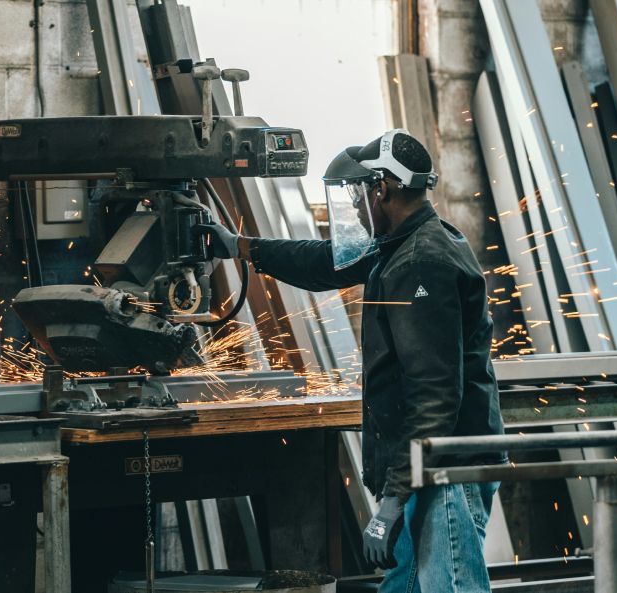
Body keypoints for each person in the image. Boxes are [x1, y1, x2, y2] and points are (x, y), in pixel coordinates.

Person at [197, 130, 506, 592]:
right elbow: (326, 262)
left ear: (382, 189)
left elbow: (434, 396)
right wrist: (241, 247)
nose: (358, 209)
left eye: (361, 195)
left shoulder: (421, 262)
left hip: (444, 468)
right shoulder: (404, 243)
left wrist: (393, 500)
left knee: (450, 587)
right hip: (425, 463)